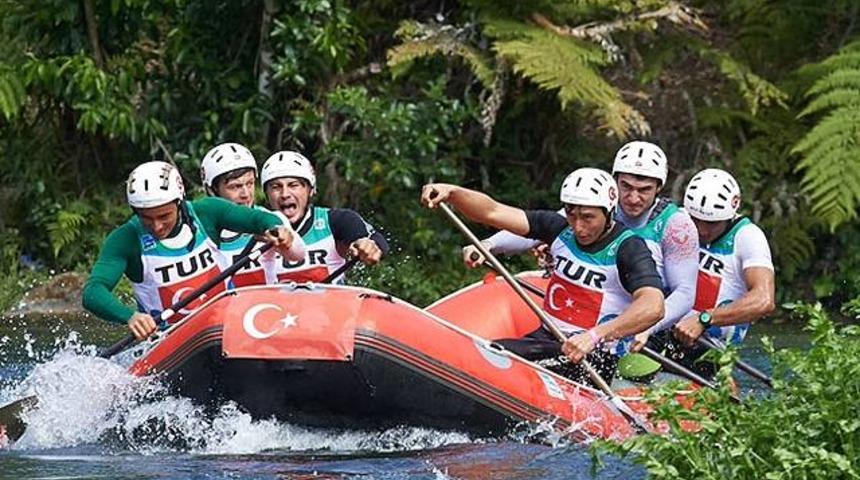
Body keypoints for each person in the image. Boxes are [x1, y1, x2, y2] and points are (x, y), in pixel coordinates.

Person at [421, 168, 665, 384]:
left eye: (588, 217)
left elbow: (653, 306)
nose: (578, 226)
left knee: (498, 359)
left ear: (609, 212)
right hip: (545, 339)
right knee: (488, 354)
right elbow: (493, 211)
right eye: (572, 214)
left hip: (590, 354)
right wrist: (452, 192)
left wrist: (594, 336)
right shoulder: (559, 227)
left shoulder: (629, 248)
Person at [463, 141, 699, 356]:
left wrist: (647, 327)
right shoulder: (597, 205)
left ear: (658, 188)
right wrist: (490, 244)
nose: (633, 197)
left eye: (644, 190)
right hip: (585, 318)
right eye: (626, 186)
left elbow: (685, 292)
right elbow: (543, 227)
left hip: (644, 320)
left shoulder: (677, 226)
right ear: (615, 182)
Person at [82, 161, 302, 341]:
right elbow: (93, 292)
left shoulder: (207, 212)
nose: (157, 226)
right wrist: (129, 317)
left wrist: (275, 227)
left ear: (179, 202)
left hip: (227, 328)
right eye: (146, 218)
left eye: (164, 216)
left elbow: (255, 218)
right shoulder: (125, 239)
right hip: (170, 340)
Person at [665, 168, 775, 376]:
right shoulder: (676, 221)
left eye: (711, 223)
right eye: (694, 219)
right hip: (659, 333)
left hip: (708, 350)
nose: (700, 230)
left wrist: (704, 319)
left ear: (729, 216)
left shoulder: (748, 237)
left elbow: (764, 300)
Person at [261, 150, 390, 283]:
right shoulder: (256, 230)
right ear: (267, 195)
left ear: (310, 190)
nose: (285, 194)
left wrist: (367, 246)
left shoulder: (337, 220)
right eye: (276, 187)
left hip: (330, 302)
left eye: (294, 185)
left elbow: (378, 242)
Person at [200, 142, 304, 287]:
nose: (246, 194)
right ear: (213, 191)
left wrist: (286, 242)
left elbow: (298, 254)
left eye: (250, 184)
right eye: (235, 186)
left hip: (264, 307)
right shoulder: (198, 227)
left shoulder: (268, 219)